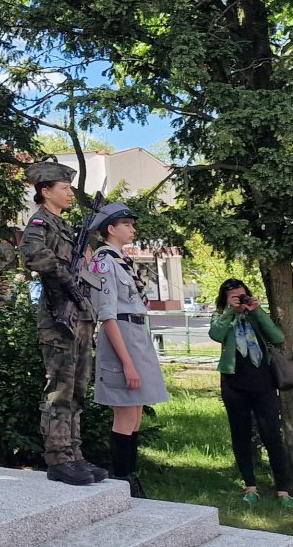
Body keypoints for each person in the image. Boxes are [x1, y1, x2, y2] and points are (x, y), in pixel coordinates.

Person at [17, 160, 107, 486]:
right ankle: (58, 459)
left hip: (79, 315)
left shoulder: (64, 226)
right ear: (46, 191)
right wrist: (65, 275)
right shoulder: (40, 223)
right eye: (65, 188)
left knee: (78, 388)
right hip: (59, 315)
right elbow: (32, 253)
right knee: (59, 389)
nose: (70, 193)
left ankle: (75, 454)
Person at [88, 202, 167, 497]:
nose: (132, 229)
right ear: (111, 228)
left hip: (136, 334)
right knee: (125, 414)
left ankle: (130, 476)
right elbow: (107, 315)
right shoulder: (103, 262)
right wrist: (127, 363)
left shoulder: (122, 260)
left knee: (135, 414)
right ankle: (122, 480)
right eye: (127, 224)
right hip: (120, 337)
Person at [208, 278, 293, 506]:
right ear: (225, 299)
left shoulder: (256, 315)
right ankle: (250, 487)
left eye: (242, 295)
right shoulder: (221, 316)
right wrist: (231, 311)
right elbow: (216, 334)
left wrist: (257, 311)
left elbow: (277, 337)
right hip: (234, 384)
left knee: (272, 435)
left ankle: (283, 491)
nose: (240, 300)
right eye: (234, 297)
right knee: (241, 435)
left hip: (263, 383)